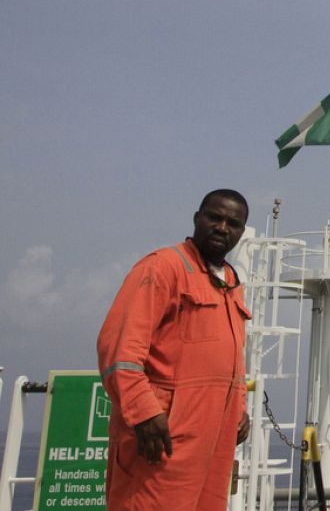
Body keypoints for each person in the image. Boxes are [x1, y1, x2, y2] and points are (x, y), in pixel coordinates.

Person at [97, 190, 253, 510]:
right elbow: (119, 351)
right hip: (163, 431)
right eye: (215, 217)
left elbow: (232, 360)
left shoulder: (231, 282)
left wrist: (238, 410)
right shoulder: (163, 267)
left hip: (215, 438)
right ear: (197, 218)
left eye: (233, 223)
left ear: (241, 232)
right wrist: (144, 413)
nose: (222, 227)